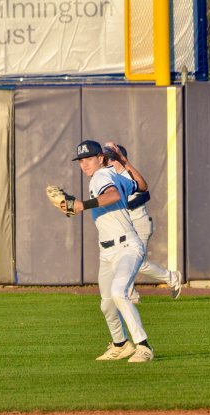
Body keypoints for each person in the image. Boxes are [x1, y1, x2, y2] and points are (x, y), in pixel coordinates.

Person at [64, 139, 154, 363]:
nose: (84, 164)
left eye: (88, 159)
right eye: (81, 161)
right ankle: (121, 344)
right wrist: (125, 162)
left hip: (126, 247)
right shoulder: (115, 175)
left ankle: (144, 347)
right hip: (107, 251)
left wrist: (82, 205)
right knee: (106, 303)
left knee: (118, 293)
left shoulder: (102, 176)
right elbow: (142, 186)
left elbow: (112, 196)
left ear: (101, 159)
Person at [104, 144, 182, 302]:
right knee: (122, 261)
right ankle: (132, 297)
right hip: (126, 226)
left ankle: (172, 278)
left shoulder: (128, 174)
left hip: (140, 223)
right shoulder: (110, 177)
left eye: (110, 158)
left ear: (118, 159)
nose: (107, 162)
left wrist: (122, 203)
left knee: (137, 263)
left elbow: (144, 195)